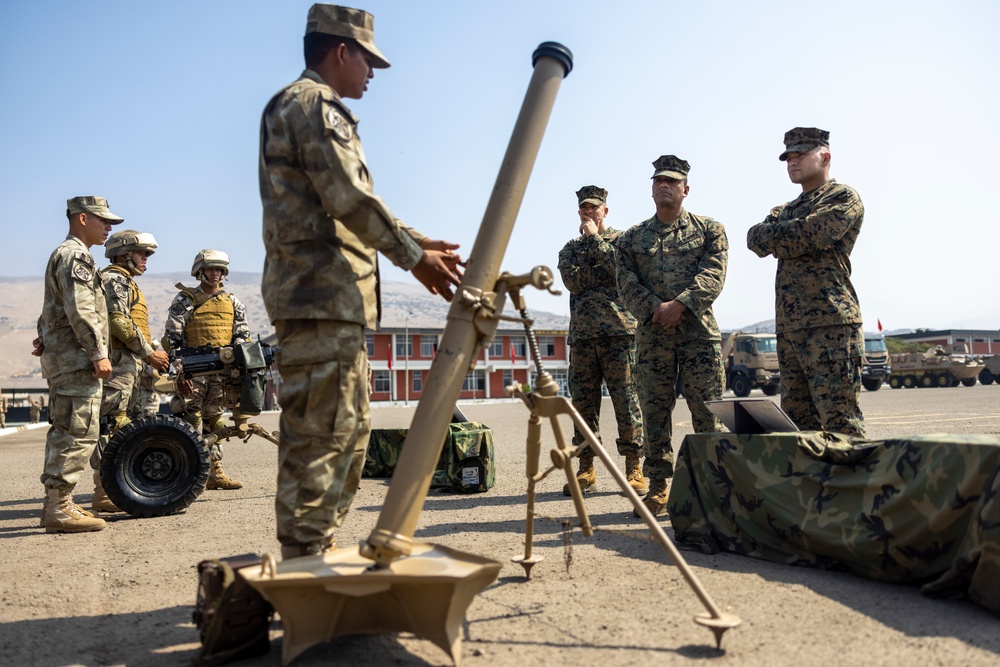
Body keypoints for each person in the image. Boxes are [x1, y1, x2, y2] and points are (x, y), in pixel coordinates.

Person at [259, 3, 463, 559]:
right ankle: (305, 568)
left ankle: (314, 554)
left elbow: (343, 200)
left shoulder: (308, 107)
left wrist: (417, 241)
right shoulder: (312, 104)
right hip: (318, 300)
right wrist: (412, 256)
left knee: (345, 435)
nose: (371, 73)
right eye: (367, 60)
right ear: (341, 51)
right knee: (322, 438)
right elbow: (348, 197)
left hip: (331, 303)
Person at [616, 156, 728, 516]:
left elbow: (713, 274)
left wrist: (681, 304)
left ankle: (711, 486)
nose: (664, 185)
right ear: (652, 189)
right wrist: (656, 310)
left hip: (698, 336)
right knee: (654, 413)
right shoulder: (631, 239)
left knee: (707, 413)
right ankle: (658, 487)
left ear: (685, 189)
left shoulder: (710, 229)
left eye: (672, 181)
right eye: (658, 181)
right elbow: (626, 284)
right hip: (653, 338)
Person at [747, 127, 865, 437]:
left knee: (841, 423)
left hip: (831, 325)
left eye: (800, 155)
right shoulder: (785, 209)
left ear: (825, 156)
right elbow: (755, 240)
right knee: (799, 428)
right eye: (788, 158)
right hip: (790, 329)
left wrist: (781, 238)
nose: (792, 162)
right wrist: (789, 235)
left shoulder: (843, 197)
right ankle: (813, 486)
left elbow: (815, 233)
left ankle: (854, 485)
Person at [34, 195, 123, 533]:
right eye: (104, 220)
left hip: (67, 357)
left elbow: (51, 309)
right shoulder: (75, 256)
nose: (110, 227)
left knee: (70, 428)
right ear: (82, 218)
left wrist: (44, 336)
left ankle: (59, 504)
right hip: (77, 361)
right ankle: (58, 507)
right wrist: (99, 354)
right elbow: (81, 310)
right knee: (77, 431)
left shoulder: (65, 254)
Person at [557, 185, 645, 496]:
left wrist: (595, 240)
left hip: (619, 334)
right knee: (583, 406)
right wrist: (599, 271)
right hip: (582, 338)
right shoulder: (569, 249)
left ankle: (634, 467)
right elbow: (573, 281)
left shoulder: (623, 242)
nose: (588, 212)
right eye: (584, 208)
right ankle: (586, 468)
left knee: (627, 404)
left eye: (594, 208)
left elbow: (619, 270)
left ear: (605, 211)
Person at [91, 230, 170, 513]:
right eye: (142, 253)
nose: (146, 259)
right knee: (111, 425)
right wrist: (149, 352)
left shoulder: (127, 282)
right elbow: (118, 322)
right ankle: (103, 491)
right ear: (124, 255)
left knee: (129, 426)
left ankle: (123, 487)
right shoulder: (115, 278)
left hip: (130, 364)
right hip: (120, 362)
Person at [164, 249, 251, 490]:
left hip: (222, 372)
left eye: (220, 269)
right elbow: (173, 337)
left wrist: (238, 367)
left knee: (216, 421)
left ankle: (215, 471)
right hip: (192, 370)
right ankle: (186, 475)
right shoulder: (185, 300)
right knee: (190, 420)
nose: (216, 274)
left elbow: (241, 335)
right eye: (211, 269)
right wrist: (180, 372)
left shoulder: (233, 302)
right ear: (200, 271)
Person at [130, 339, 165, 419]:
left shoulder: (153, 362)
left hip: (151, 394)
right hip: (144, 393)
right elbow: (153, 374)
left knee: (150, 417)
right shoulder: (145, 362)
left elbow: (156, 375)